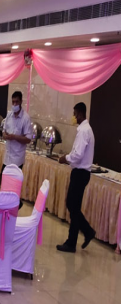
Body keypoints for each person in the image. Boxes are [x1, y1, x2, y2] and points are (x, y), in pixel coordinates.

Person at [57, 102, 95, 253]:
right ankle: (87, 232)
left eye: (74, 114)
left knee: (72, 206)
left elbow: (78, 155)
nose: (73, 117)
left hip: (80, 173)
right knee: (73, 206)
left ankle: (72, 242)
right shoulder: (85, 129)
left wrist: (65, 158)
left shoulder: (84, 131)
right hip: (80, 173)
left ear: (79, 114)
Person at [1, 91, 32, 208]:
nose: (14, 104)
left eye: (16, 102)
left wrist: (14, 137)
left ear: (21, 102)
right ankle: (8, 205)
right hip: (7, 156)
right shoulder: (9, 115)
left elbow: (28, 139)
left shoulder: (25, 118)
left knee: (13, 186)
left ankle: (14, 206)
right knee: (4, 181)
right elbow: (4, 131)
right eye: (13, 102)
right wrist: (5, 136)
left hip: (17, 158)